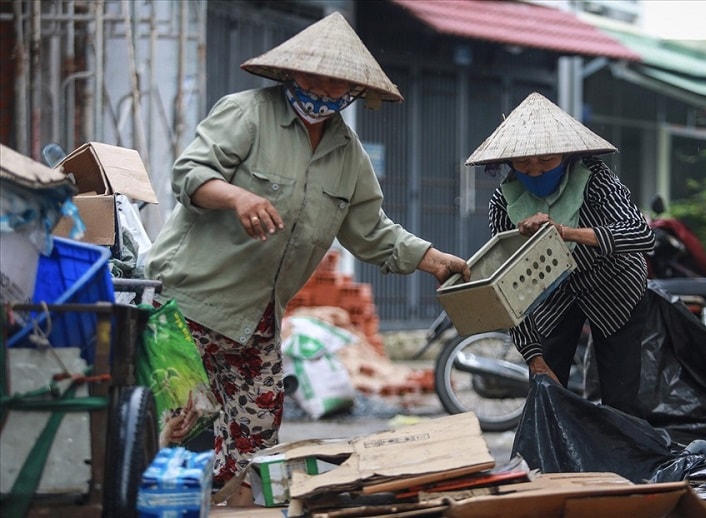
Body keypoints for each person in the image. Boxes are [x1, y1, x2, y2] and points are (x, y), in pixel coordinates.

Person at [144, 12, 470, 506]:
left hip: (257, 317)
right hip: (189, 303)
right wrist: (237, 198)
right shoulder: (246, 113)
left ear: (354, 90)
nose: (325, 88)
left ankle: (236, 506)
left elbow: (370, 232)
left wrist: (433, 259)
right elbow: (190, 174)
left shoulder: (347, 151)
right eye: (316, 75)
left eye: (338, 82)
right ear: (292, 72)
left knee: (257, 430)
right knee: (178, 424)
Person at [464, 92, 655, 419]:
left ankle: (627, 459)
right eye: (524, 163)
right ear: (509, 164)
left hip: (615, 284)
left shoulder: (596, 179)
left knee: (620, 393)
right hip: (553, 291)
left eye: (546, 161)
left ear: (566, 156)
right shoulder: (503, 202)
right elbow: (508, 290)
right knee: (546, 390)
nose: (535, 172)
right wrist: (533, 358)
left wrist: (565, 233)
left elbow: (642, 234)